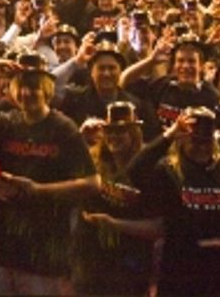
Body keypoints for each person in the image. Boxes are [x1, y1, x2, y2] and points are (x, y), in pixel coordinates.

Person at [0, 52, 96, 295]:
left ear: (46, 90)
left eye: (33, 87)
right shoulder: (6, 121)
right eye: (21, 87)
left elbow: (92, 183)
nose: (26, 93)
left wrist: (39, 190)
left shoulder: (64, 128)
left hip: (42, 249)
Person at [128, 107, 220, 297]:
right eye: (196, 141)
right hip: (182, 272)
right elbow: (135, 170)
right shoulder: (168, 170)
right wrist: (168, 136)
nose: (202, 147)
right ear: (183, 139)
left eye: (206, 141)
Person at [72, 101, 155, 296]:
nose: (113, 136)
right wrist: (80, 136)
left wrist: (115, 224)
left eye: (121, 131)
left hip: (129, 261)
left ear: (134, 133)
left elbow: (157, 226)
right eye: (109, 131)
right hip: (90, 258)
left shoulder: (150, 169)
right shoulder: (93, 159)